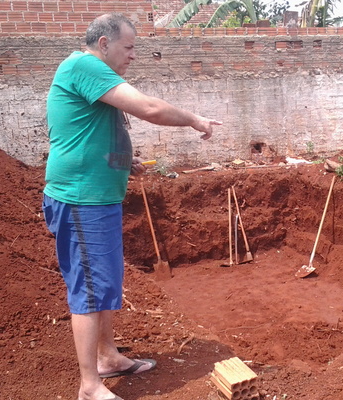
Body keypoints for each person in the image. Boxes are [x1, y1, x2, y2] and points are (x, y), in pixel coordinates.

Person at [42, 13, 222, 400]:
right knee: (90, 290)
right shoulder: (84, 65)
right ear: (104, 44)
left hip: (96, 198)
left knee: (103, 284)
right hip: (80, 200)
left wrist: (125, 161)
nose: (133, 55)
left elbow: (86, 134)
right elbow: (149, 109)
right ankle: (90, 386)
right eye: (129, 47)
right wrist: (194, 119)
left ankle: (107, 358)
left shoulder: (90, 75)